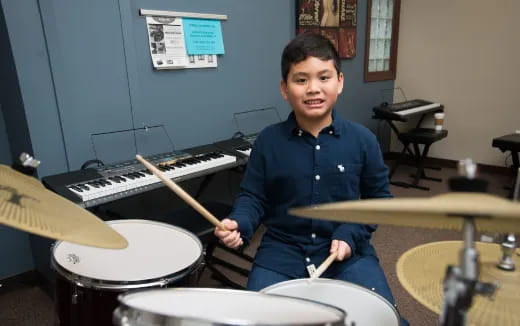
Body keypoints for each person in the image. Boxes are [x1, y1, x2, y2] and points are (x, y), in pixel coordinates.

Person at [215, 33, 408, 325]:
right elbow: (253, 197)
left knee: (382, 318)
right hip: (281, 252)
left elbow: (378, 200)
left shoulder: (363, 140)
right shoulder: (268, 141)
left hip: (346, 253)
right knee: (256, 319)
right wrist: (239, 222)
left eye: (324, 77)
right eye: (301, 80)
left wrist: (351, 234)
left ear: (340, 82)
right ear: (284, 88)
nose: (313, 89)